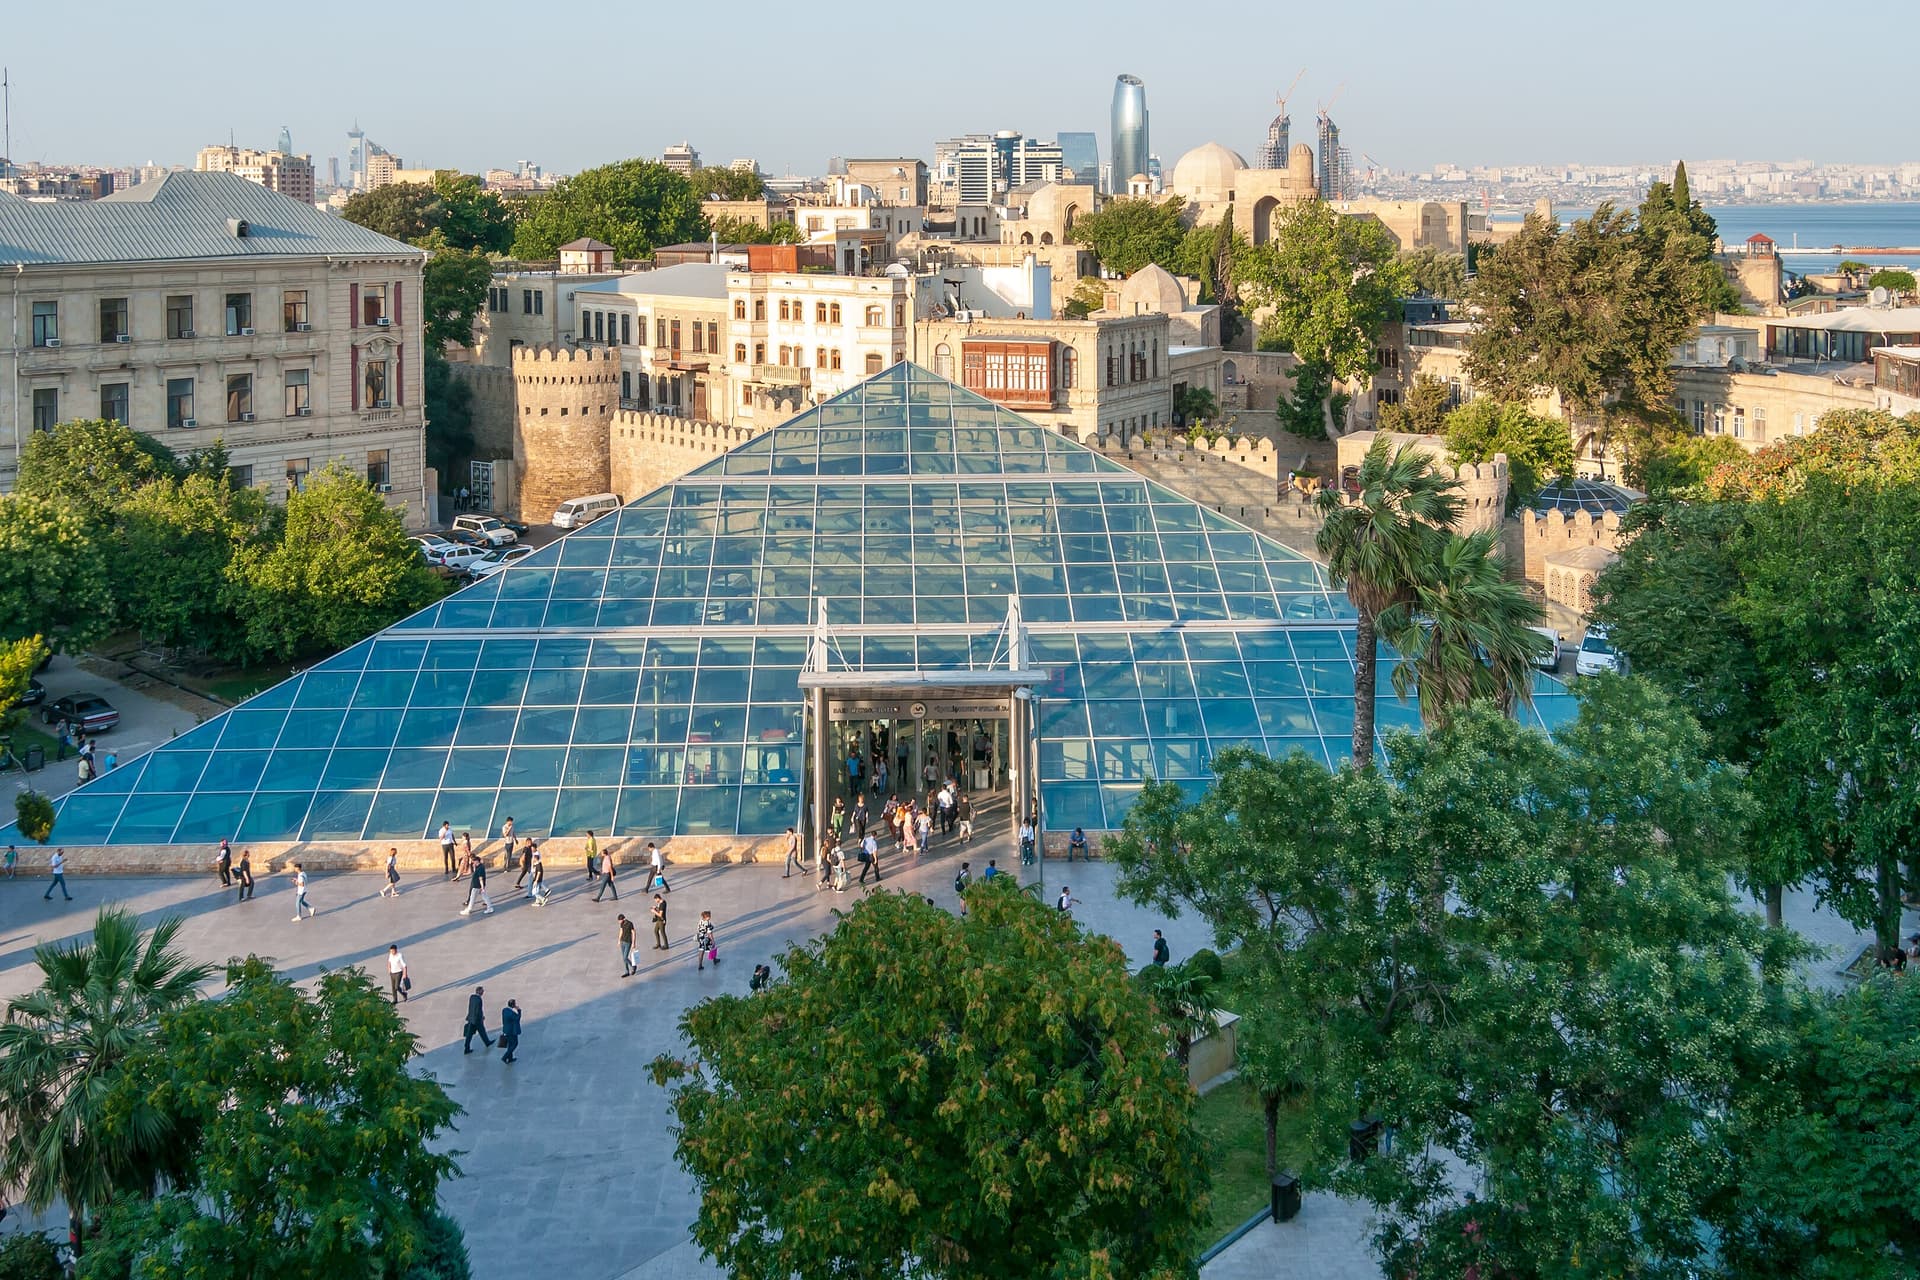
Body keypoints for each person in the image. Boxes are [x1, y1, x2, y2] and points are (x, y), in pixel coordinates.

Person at [462, 987, 492, 1054]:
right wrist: (481, 1018)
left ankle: (467, 1048)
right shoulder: (479, 999)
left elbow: (471, 1007)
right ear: (479, 991)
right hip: (477, 1020)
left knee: (470, 1034)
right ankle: (487, 1043)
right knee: (481, 1031)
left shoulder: (472, 997)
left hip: (471, 1018)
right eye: (482, 991)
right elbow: (478, 1010)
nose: (483, 992)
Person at [499, 999, 522, 1064]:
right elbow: (517, 1018)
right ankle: (505, 1057)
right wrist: (519, 1010)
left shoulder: (504, 1010)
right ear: (513, 1005)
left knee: (510, 1044)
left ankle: (510, 1058)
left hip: (506, 1030)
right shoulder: (511, 1013)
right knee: (515, 1044)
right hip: (511, 1031)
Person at [502, 816, 518, 881]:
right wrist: (509, 828)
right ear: (507, 821)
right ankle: (505, 867)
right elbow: (505, 835)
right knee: (506, 855)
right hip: (507, 843)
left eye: (512, 821)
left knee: (509, 855)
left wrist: (516, 839)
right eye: (510, 821)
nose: (511, 822)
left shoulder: (512, 826)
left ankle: (508, 867)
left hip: (511, 842)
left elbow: (513, 833)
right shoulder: (504, 827)